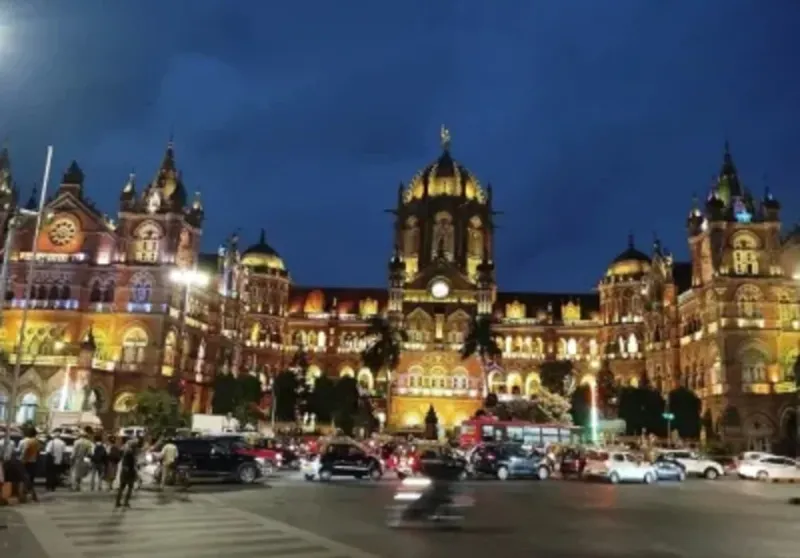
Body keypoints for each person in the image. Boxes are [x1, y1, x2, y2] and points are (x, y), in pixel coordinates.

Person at [406, 448, 465, 519]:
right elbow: (450, 471)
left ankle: (424, 512)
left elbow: (449, 471)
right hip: (439, 486)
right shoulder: (433, 466)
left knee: (431, 498)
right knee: (430, 498)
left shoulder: (433, 465)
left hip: (440, 486)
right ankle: (421, 513)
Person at [17, 427, 40, 502]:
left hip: (26, 462)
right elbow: (38, 452)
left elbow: (24, 451)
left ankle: (27, 495)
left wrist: (22, 460)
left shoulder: (26, 441)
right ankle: (31, 495)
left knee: (25, 479)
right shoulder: (36, 441)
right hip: (33, 462)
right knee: (30, 479)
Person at [116, 439, 139, 508]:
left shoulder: (125, 452)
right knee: (130, 488)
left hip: (124, 472)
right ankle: (126, 502)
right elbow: (132, 464)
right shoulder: (130, 454)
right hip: (129, 473)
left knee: (122, 487)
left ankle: (118, 502)